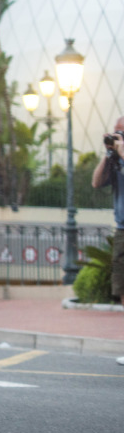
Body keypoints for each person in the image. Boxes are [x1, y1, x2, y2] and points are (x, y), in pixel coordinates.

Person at [91, 116, 124, 365]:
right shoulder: (116, 161)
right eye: (115, 133)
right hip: (122, 230)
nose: (116, 137)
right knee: (122, 286)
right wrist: (108, 154)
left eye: (120, 133)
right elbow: (96, 182)